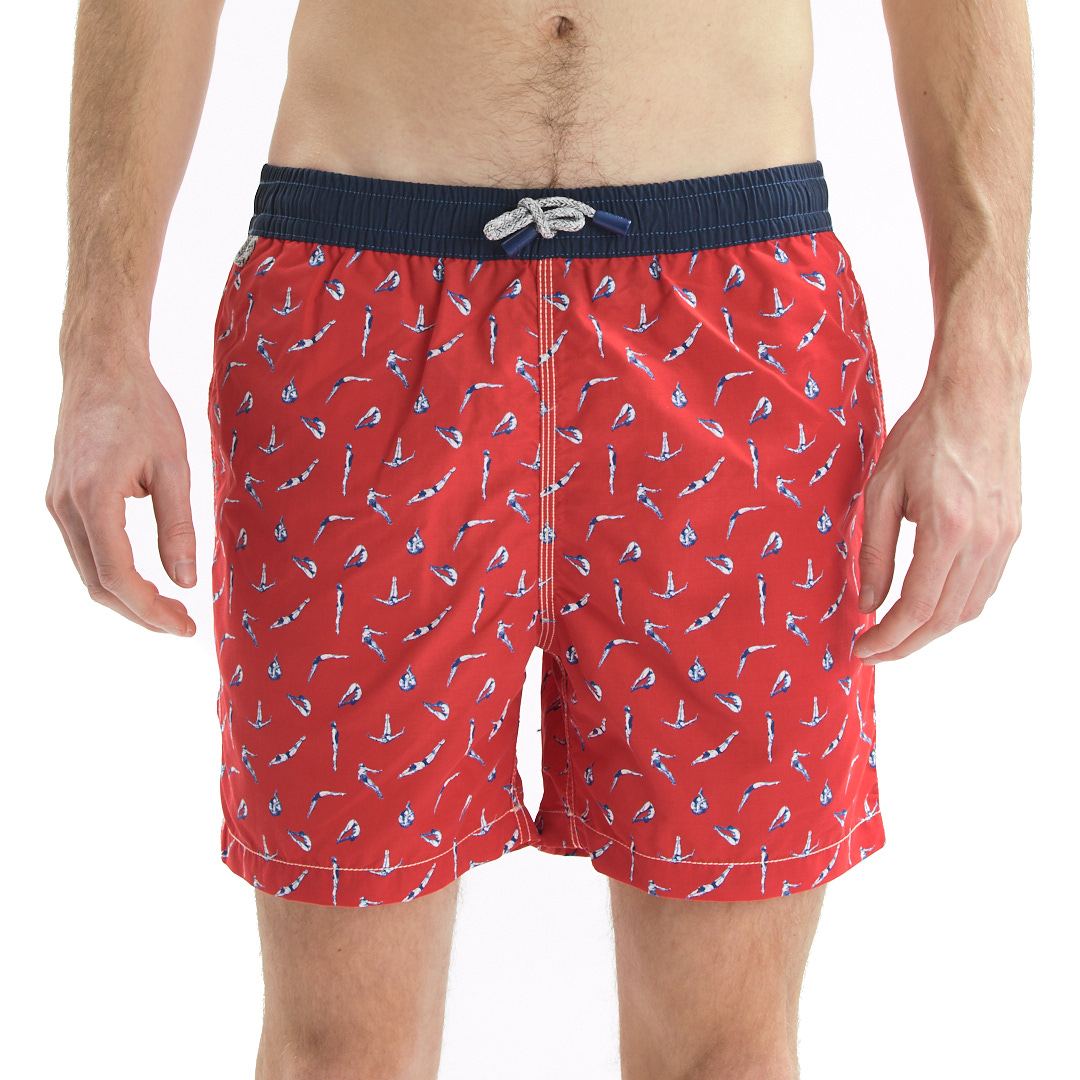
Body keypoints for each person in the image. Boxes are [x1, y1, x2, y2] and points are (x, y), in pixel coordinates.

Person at [46, 2, 1031, 1077]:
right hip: (358, 308)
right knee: (338, 1055)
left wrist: (986, 367)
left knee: (728, 1055)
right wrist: (100, 343)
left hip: (735, 321)